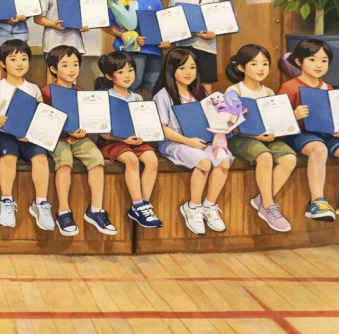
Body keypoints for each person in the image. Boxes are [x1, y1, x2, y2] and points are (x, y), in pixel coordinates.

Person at [279, 38, 339, 221]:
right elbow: (278, 121)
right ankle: (317, 202)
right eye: (312, 60)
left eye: (324, 61)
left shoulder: (328, 88)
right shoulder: (290, 87)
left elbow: (334, 115)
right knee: (319, 149)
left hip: (327, 133)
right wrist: (294, 115)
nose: (319, 65)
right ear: (299, 61)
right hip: (301, 134)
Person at [154, 47, 230, 235]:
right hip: (175, 142)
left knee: (224, 161)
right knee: (204, 162)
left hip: (201, 140)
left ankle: (209, 205)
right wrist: (188, 142)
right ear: (171, 70)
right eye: (182, 68)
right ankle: (193, 206)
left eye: (192, 67)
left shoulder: (200, 92)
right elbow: (163, 129)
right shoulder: (162, 96)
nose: (189, 72)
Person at [41, 45, 115, 236]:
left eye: (75, 64)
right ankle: (63, 211)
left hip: (80, 138)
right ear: (53, 69)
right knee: (64, 161)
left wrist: (84, 130)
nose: (72, 69)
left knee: (96, 158)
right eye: (65, 65)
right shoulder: (46, 92)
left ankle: (96, 209)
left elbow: (87, 119)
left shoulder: (81, 91)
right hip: (58, 140)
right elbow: (44, 123)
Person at [225, 44, 297, 232]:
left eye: (265, 64)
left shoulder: (269, 92)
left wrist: (275, 130)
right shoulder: (234, 91)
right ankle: (269, 206)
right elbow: (229, 124)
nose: (261, 68)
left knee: (289, 158)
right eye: (254, 64)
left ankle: (262, 200)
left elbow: (274, 120)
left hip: (266, 137)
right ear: (241, 67)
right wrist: (251, 131)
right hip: (240, 138)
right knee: (264, 156)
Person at [0, 39, 54, 232]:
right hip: (4, 135)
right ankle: (6, 200)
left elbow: (40, 114)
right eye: (13, 59)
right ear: (2, 63)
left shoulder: (34, 89)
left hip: (28, 137)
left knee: (41, 157)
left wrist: (31, 132)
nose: (19, 63)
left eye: (24, 58)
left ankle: (40, 203)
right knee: (9, 156)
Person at [95, 53, 163, 229]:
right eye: (121, 72)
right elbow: (103, 133)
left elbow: (143, 125)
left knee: (152, 159)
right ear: (109, 76)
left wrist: (142, 136)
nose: (127, 75)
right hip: (112, 141)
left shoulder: (137, 97)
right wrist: (123, 139)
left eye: (130, 70)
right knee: (131, 160)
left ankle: (143, 205)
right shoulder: (104, 97)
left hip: (134, 140)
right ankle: (138, 204)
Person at [103, 0, 171, 94]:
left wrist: (165, 42)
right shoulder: (125, 1)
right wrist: (122, 35)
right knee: (134, 84)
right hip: (133, 51)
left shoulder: (156, 2)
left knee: (154, 84)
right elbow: (107, 25)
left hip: (154, 50)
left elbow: (161, 26)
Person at [35, 0, 89, 85]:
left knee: (72, 80)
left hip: (74, 42)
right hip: (53, 43)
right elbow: (38, 18)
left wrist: (84, 26)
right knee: (52, 82)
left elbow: (82, 18)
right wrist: (53, 24)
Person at [168, 0, 219, 93]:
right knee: (184, 83)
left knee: (207, 82)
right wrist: (195, 33)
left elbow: (218, 24)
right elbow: (172, 27)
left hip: (208, 48)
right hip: (184, 47)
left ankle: (207, 106)